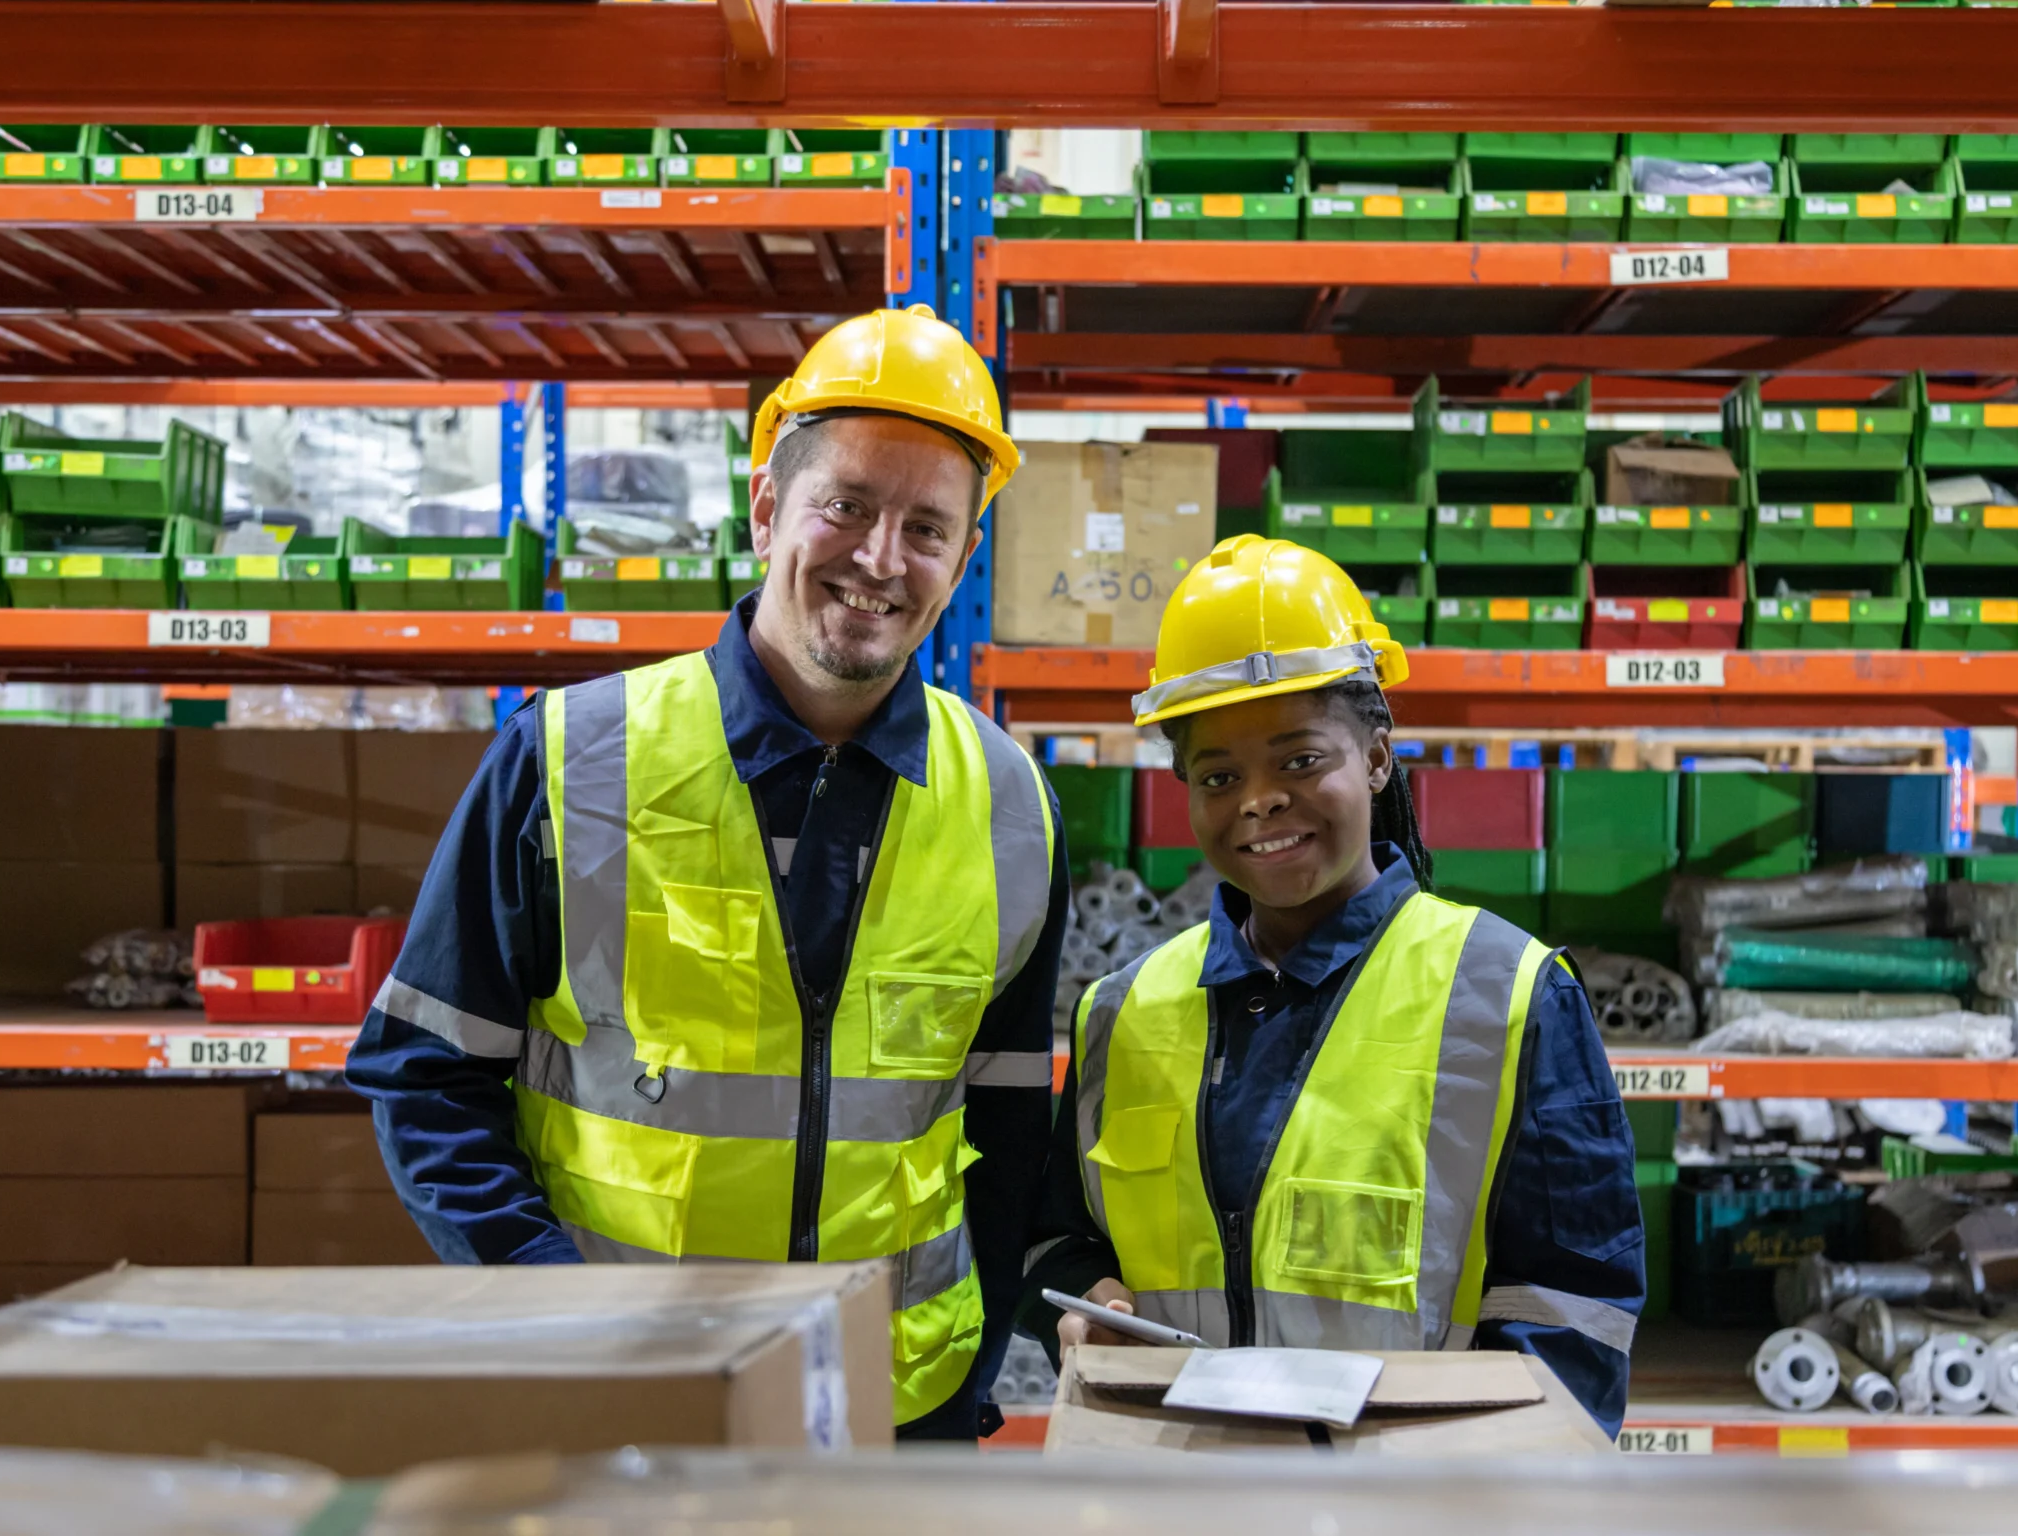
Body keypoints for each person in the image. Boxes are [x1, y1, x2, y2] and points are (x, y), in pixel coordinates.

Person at [347, 305, 1069, 1441]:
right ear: (767, 504)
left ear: (965, 555)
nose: (881, 560)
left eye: (928, 528)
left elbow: (1008, 1122)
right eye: (846, 506)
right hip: (621, 1400)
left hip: (897, 1409)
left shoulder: (1009, 805)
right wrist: (562, 1318)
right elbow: (424, 1076)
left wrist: (967, 1372)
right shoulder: (569, 759)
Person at [1017, 536, 1643, 1436]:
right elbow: (1056, 1238)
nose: (1259, 801)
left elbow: (1574, 1307)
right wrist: (1081, 1297)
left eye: (1301, 759)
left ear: (1378, 758)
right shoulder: (1123, 1010)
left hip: (1408, 1528)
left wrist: (1490, 1494)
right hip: (1180, 1502)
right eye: (1219, 775)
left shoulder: (1510, 996)